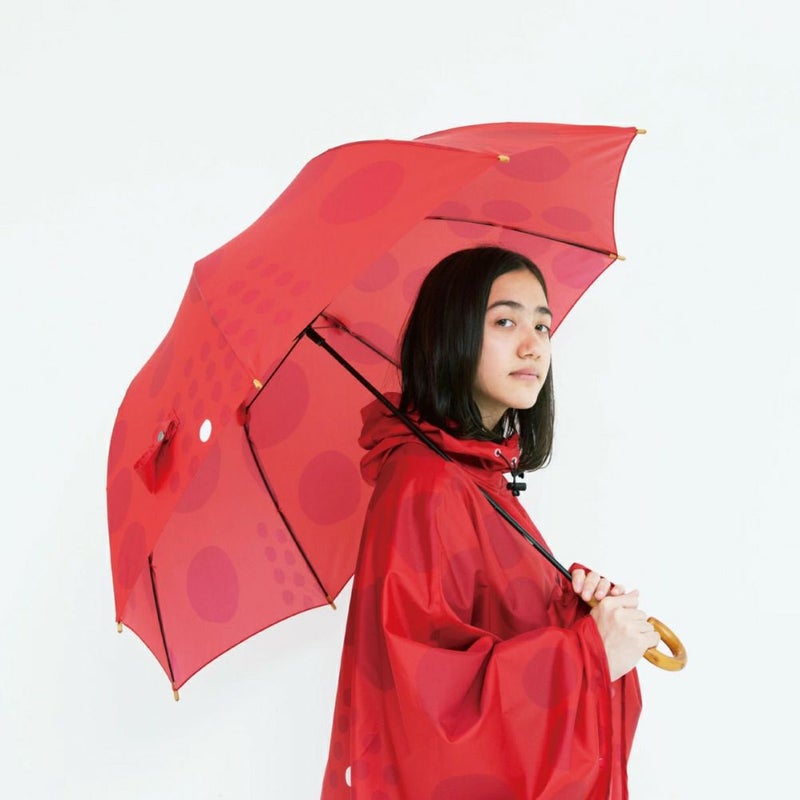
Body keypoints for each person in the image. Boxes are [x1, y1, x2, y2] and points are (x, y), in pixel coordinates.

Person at [321, 246, 659, 799]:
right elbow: (427, 699)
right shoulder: (425, 483)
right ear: (450, 335)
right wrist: (587, 654)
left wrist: (579, 612)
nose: (533, 346)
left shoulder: (478, 477)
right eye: (505, 322)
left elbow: (495, 625)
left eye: (542, 325)